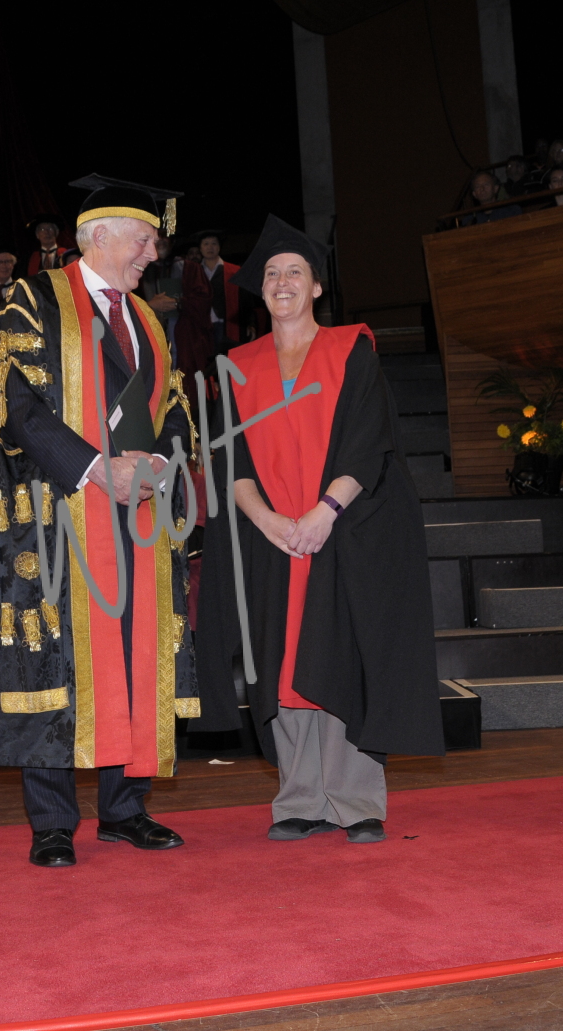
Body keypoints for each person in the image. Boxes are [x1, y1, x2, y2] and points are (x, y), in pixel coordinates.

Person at [196, 214, 444, 844]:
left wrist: (323, 513)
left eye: (294, 273)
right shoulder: (238, 366)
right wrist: (268, 521)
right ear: (261, 290)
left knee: (344, 652)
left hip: (343, 529)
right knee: (279, 663)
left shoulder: (350, 349)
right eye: (271, 274)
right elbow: (231, 463)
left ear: (316, 288)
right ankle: (300, 797)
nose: (281, 282)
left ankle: (355, 800)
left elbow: (368, 442)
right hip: (273, 537)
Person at [0, 178, 197, 868]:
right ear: (99, 235)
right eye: (144, 241)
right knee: (53, 655)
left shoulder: (148, 319)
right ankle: (51, 823)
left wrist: (157, 463)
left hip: (137, 515)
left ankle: (125, 810)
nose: (153, 255)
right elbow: (13, 404)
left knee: (132, 648)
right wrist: (97, 468)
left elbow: (174, 405)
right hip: (59, 509)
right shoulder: (33, 300)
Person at [458, 171, 523, 224]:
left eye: (486, 185)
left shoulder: (512, 211)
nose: (482, 189)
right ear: (474, 194)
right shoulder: (470, 220)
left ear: (495, 188)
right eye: (477, 187)